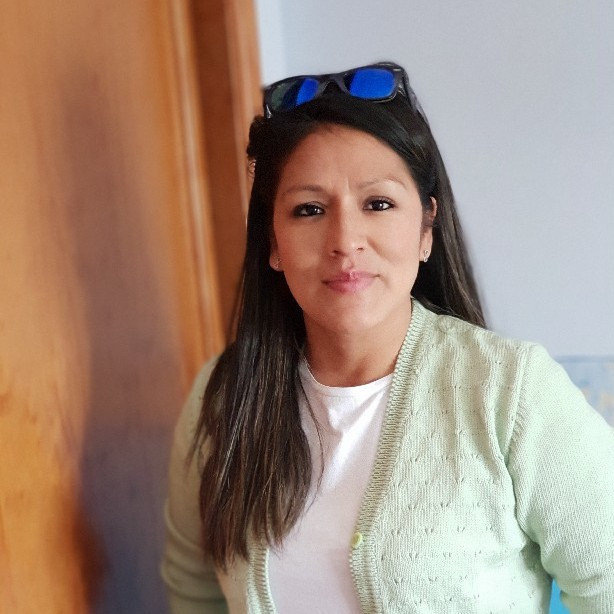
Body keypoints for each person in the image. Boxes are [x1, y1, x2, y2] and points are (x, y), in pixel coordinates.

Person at [161, 62, 614, 613]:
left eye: (378, 204)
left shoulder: (511, 390)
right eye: (309, 210)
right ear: (273, 243)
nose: (345, 240)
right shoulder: (222, 398)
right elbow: (194, 589)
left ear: (426, 228)